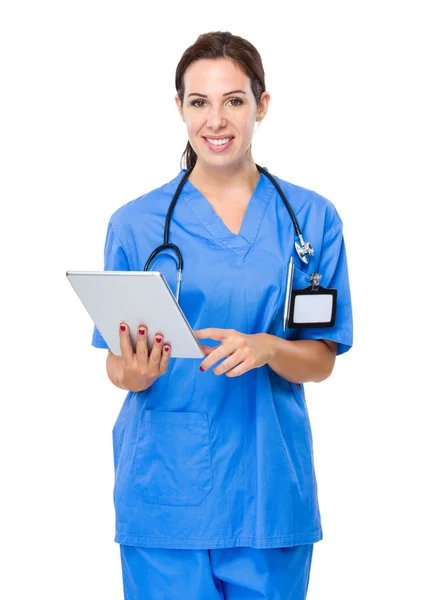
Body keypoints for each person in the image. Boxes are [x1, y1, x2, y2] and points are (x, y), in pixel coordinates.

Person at [92, 31, 353, 600]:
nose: (217, 120)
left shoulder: (310, 221)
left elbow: (321, 361)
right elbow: (116, 366)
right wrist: (133, 372)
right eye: (199, 102)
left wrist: (268, 347)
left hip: (268, 488)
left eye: (234, 100)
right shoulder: (134, 225)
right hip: (164, 489)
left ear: (261, 105)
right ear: (179, 108)